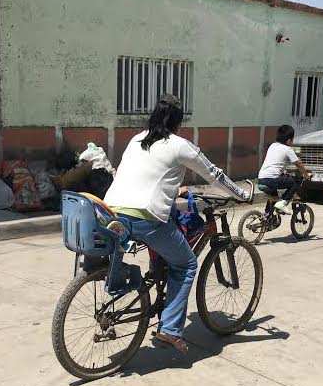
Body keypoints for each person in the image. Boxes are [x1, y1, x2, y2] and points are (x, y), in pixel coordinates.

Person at [104, 94, 250, 353]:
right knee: (186, 264)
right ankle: (170, 329)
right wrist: (241, 195)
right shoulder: (179, 144)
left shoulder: (137, 138)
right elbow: (214, 174)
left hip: (112, 211)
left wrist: (175, 189)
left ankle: (156, 273)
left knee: (166, 226)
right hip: (144, 217)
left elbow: (144, 175)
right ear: (178, 123)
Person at [258, 125, 311, 215]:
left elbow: (276, 163)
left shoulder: (272, 145)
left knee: (273, 196)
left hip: (261, 179)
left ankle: (267, 216)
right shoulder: (287, 149)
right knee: (294, 182)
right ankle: (283, 203)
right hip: (272, 179)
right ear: (289, 140)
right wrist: (306, 175)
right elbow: (299, 164)